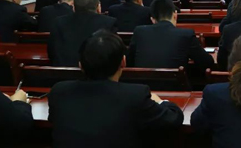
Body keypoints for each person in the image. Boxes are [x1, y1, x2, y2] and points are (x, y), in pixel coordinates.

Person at [48, 30, 184, 148]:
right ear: (123, 62)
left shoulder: (59, 92)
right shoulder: (136, 96)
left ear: (80, 66)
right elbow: (173, 118)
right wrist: (159, 101)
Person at [127, 0, 214, 70]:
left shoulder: (139, 32)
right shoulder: (186, 34)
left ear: (152, 19)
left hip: (141, 84)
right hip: (176, 85)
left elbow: (129, 61)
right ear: (175, 15)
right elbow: (207, 62)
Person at [48, 0, 117, 66]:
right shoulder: (108, 22)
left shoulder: (58, 22)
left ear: (73, 8)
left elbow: (52, 51)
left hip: (63, 70)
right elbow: (114, 52)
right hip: (96, 70)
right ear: (98, 7)